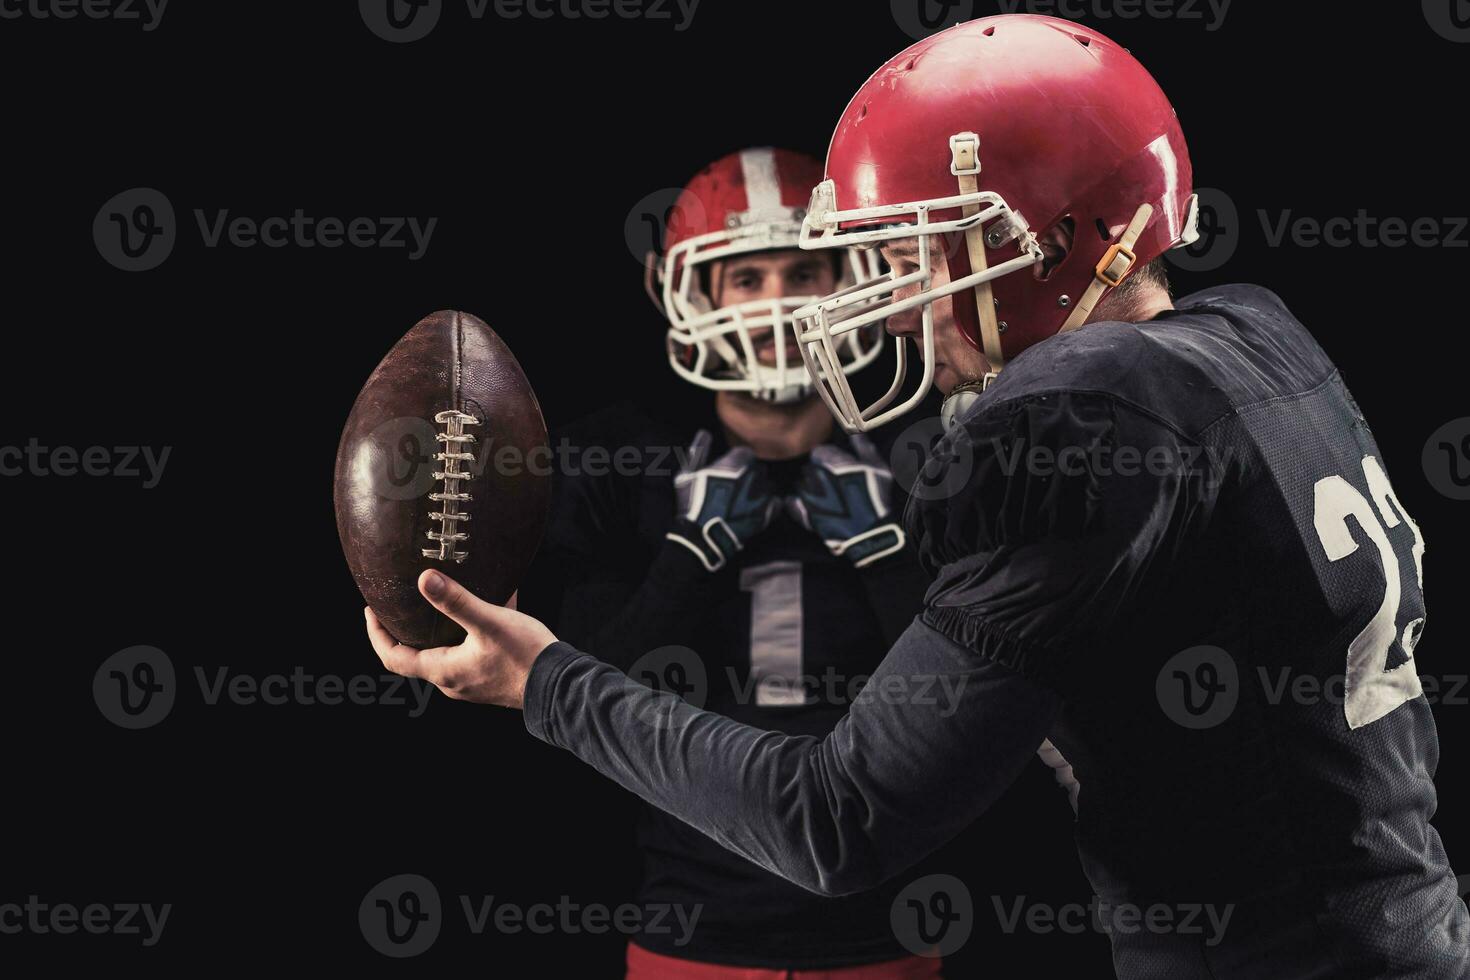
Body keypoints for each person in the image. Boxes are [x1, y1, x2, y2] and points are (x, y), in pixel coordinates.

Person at [368, 16, 1467, 978]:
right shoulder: (1255, 342)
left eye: (913, 255)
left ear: (1044, 239)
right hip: (1403, 932)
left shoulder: (1086, 416)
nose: (895, 308)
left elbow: (834, 821)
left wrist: (545, 680)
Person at [533, 147, 937, 977]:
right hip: (690, 928)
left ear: (856, 278)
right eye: (746, 279)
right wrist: (687, 560)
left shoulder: (928, 453)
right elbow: (576, 706)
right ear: (689, 292)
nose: (780, 304)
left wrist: (886, 559)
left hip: (884, 930)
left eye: (805, 272)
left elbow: (969, 707)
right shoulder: (620, 459)